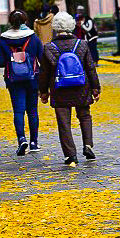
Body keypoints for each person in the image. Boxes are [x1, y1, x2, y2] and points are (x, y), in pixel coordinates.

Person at [39, 11, 101, 166]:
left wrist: (43, 92)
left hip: (59, 88)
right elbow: (91, 68)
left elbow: (44, 73)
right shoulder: (82, 44)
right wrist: (95, 88)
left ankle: (70, 155)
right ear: (72, 26)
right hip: (81, 86)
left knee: (64, 122)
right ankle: (88, 145)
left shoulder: (48, 48)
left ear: (55, 28)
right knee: (85, 116)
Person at [0, 9, 44, 155]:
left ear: (10, 22)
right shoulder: (33, 38)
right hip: (32, 79)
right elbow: (42, 59)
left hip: (14, 80)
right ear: (25, 21)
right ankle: (34, 142)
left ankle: (21, 139)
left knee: (18, 111)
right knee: (33, 111)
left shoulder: (4, 39)